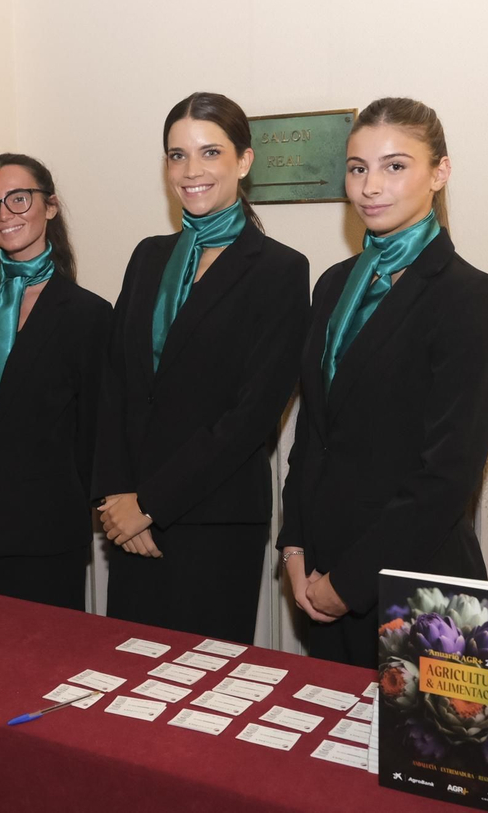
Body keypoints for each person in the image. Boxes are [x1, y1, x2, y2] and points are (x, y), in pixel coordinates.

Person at [277, 97, 488, 668]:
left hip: (415, 586)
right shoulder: (334, 284)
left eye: (395, 166)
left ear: (439, 172)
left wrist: (350, 582)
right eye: (357, 168)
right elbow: (313, 433)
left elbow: (447, 475)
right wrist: (294, 544)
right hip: (320, 574)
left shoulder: (469, 297)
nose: (370, 186)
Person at [95, 92, 309, 643]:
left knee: (202, 684)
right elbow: (115, 383)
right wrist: (116, 497)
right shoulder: (148, 256)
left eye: (210, 152)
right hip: (129, 521)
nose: (191, 171)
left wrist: (151, 504)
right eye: (177, 155)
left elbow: (251, 416)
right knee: (125, 676)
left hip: (214, 520)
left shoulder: (280, 270)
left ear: (244, 160)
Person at [0, 153, 112, 610]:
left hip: (44, 533)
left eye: (18, 198)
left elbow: (94, 433)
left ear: (50, 206)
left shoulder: (89, 315)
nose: (3, 214)